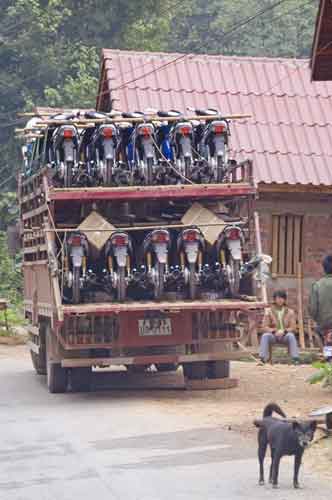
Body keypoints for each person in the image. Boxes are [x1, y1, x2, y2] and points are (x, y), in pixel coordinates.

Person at [259, 290, 300, 364]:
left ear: (285, 300)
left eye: (282, 298)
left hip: (285, 336)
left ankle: (295, 359)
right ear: (274, 299)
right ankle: (262, 359)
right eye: (278, 298)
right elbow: (264, 326)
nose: (280, 300)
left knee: (291, 336)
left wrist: (284, 331)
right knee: (265, 336)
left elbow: (293, 327)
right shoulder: (269, 311)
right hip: (273, 335)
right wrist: (274, 331)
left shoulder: (290, 312)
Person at [309, 255, 332, 343]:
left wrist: (318, 321)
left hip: (325, 324)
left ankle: (328, 355)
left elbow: (313, 309)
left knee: (328, 347)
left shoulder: (317, 285)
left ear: (324, 268)